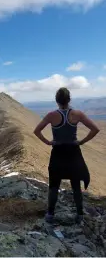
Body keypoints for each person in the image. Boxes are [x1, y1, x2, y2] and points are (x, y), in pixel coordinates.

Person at [33, 87, 100, 224]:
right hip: (73, 153)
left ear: (56, 100)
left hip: (58, 152)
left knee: (54, 185)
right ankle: (80, 215)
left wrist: (48, 142)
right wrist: (81, 141)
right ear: (69, 99)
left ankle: (50, 214)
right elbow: (95, 129)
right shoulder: (77, 114)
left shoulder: (51, 115)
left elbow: (37, 131)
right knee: (76, 185)